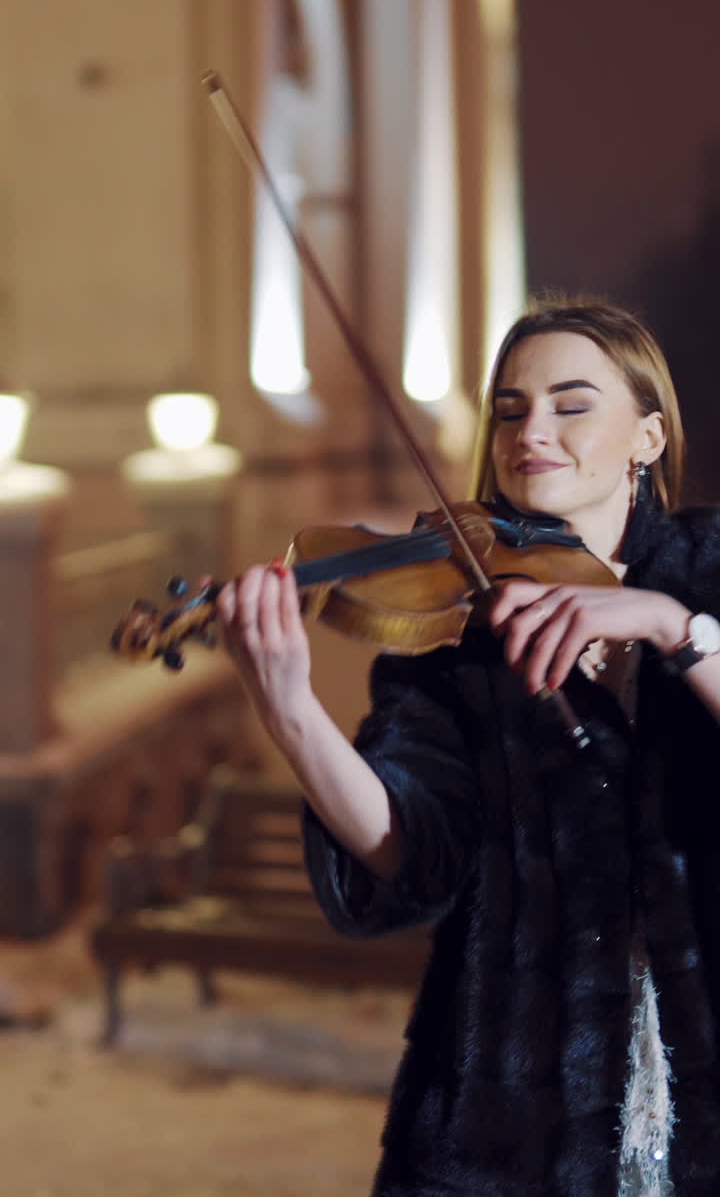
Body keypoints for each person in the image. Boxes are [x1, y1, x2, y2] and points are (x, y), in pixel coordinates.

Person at [217, 298, 720, 1196]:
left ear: (646, 437)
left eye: (572, 405)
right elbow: (413, 861)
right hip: (512, 1104)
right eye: (513, 409)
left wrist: (674, 626)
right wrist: (291, 712)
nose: (533, 431)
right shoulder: (457, 628)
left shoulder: (709, 571)